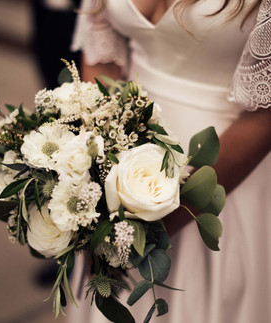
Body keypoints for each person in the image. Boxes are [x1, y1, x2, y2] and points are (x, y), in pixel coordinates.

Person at [63, 0, 271, 322]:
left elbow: (265, 119)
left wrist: (156, 224)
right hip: (116, 171)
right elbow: (101, 55)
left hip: (224, 180)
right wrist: (96, 168)